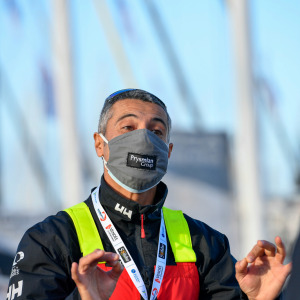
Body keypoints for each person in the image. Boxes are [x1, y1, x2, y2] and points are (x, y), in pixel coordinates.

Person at [7, 89, 291, 300]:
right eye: (128, 127)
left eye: (156, 131)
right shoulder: (50, 239)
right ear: (99, 144)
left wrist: (259, 299)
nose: (143, 139)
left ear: (167, 152)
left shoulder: (205, 243)